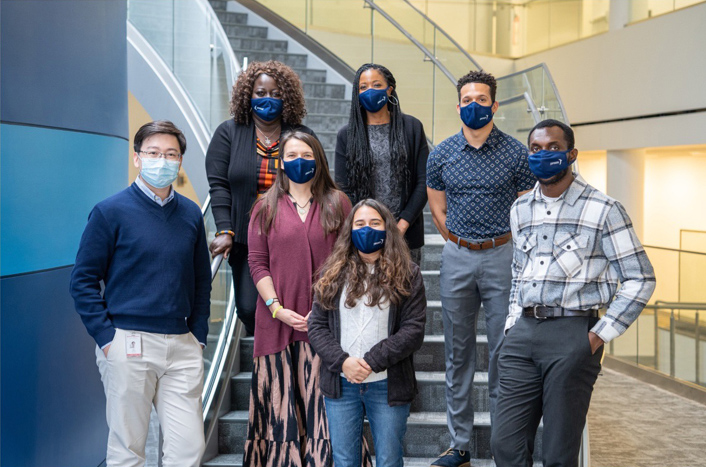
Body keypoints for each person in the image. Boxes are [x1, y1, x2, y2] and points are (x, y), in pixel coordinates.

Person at [491, 119, 656, 467]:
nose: (543, 155)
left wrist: (598, 335)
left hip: (573, 334)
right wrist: (511, 324)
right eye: (535, 149)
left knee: (558, 453)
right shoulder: (520, 209)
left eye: (553, 148)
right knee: (505, 444)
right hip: (523, 334)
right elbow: (519, 271)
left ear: (572, 154)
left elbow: (640, 278)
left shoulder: (604, 209)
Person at [70, 121, 211, 467]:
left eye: (171, 154)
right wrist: (108, 339)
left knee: (189, 448)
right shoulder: (109, 212)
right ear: (137, 158)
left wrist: (198, 336)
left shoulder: (191, 214)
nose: (162, 161)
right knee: (128, 449)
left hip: (182, 344)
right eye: (153, 153)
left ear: (180, 161)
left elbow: (201, 281)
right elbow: (83, 281)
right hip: (128, 342)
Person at [426, 70, 536, 467]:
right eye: (468, 100)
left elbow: (527, 211)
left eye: (482, 99)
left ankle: (504, 445)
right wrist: (462, 242)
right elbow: (437, 209)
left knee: (503, 353)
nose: (475, 105)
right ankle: (459, 445)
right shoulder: (440, 154)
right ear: (458, 106)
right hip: (457, 257)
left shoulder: (516, 154)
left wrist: (494, 245)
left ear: (495, 104)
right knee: (458, 354)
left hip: (503, 256)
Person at [245, 131, 355, 466]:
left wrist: (323, 310)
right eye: (292, 155)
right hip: (277, 325)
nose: (299, 162)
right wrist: (276, 309)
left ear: (318, 159)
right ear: (280, 163)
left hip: (326, 324)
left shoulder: (338, 203)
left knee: (324, 410)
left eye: (307, 155)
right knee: (281, 408)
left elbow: (349, 259)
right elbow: (257, 262)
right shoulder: (265, 207)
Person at [308, 199, 427, 467]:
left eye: (375, 223)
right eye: (359, 224)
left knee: (389, 460)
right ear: (349, 230)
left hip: (387, 384)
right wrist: (343, 362)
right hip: (342, 383)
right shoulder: (332, 273)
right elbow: (316, 326)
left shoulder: (408, 274)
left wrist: (372, 361)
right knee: (344, 460)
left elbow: (413, 330)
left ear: (388, 229)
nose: (367, 230)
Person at [206, 60, 317, 336]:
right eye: (261, 93)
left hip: (291, 234)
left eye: (276, 94)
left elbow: (317, 183)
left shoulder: (302, 136)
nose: (268, 99)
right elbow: (219, 185)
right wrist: (224, 229)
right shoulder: (228, 133)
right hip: (245, 237)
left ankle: (286, 352)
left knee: (293, 302)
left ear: (287, 98)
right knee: (247, 307)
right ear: (248, 95)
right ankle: (264, 347)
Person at [335, 63, 429, 265]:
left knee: (406, 285)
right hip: (364, 236)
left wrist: (400, 226)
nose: (370, 91)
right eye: (363, 87)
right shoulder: (347, 135)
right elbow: (343, 188)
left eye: (377, 85)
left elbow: (423, 181)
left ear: (389, 89)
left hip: (406, 234)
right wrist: (366, 226)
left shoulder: (412, 127)